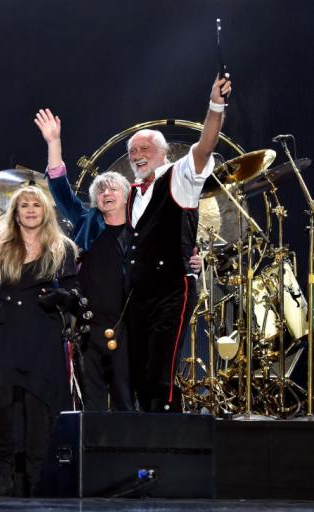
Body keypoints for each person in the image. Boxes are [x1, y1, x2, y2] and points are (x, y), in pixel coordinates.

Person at [35, 108, 202, 413]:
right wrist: (53, 143)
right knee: (94, 402)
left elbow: (174, 241)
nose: (106, 192)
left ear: (129, 196)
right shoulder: (87, 221)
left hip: (129, 325)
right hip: (89, 324)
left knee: (128, 399)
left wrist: (192, 260)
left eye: (113, 188)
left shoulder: (141, 228)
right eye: (100, 190)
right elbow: (59, 188)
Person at [124, 73, 232, 413]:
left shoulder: (180, 175)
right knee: (138, 371)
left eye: (145, 148)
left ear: (163, 152)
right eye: (133, 151)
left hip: (172, 288)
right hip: (138, 294)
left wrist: (216, 104)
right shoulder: (130, 193)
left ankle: (169, 442)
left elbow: (206, 145)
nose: (138, 154)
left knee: (161, 371)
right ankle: (147, 438)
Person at [0, 185, 78, 497]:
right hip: (4, 329)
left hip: (41, 330)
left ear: (45, 212)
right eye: (24, 205)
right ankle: (3, 477)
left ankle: (36, 481)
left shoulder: (61, 246)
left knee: (39, 404)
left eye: (36, 205)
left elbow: (74, 290)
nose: (30, 210)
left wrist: (62, 296)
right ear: (15, 212)